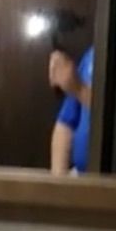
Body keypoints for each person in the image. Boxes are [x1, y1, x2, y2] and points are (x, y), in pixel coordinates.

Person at [49, 47, 93, 175]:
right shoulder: (91, 55)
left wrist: (78, 89)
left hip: (111, 180)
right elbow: (65, 123)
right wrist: (59, 181)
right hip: (79, 176)